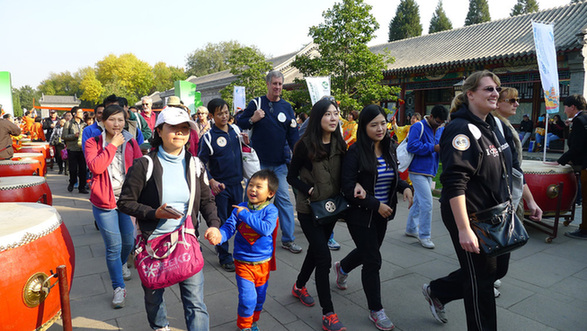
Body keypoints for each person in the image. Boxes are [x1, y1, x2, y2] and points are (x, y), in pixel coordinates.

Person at [422, 71, 541, 330]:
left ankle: (438, 291)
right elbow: (454, 183)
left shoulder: (494, 125)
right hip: (472, 216)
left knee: (498, 271)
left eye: (496, 88)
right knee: (481, 282)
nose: (495, 93)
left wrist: (529, 200)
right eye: (488, 89)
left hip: (498, 214)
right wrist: (464, 229)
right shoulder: (460, 129)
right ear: (470, 94)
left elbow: (512, 171)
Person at [117, 106, 221, 331]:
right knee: (154, 298)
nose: (180, 133)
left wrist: (214, 226)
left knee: (195, 302)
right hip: (153, 245)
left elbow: (207, 201)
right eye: (173, 128)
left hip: (186, 242)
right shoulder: (144, 165)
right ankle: (160, 327)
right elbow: (125, 202)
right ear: (159, 131)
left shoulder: (195, 164)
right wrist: (154, 213)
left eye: (185, 129)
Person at [334, 104, 413, 331]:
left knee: (368, 252)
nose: (380, 129)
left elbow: (393, 176)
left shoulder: (389, 147)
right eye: (373, 125)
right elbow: (348, 187)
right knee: (373, 260)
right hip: (360, 215)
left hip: (382, 215)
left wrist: (404, 186)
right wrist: (375, 204)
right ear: (364, 127)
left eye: (382, 123)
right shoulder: (356, 152)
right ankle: (376, 310)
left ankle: (342, 268)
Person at [287, 98, 347, 331]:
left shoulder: (339, 143)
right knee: (323, 257)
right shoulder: (304, 145)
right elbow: (291, 177)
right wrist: (308, 189)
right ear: (317, 118)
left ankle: (299, 286)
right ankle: (328, 313)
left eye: (336, 114)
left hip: (331, 209)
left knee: (316, 250)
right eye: (328, 114)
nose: (333, 118)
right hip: (309, 210)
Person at [205, 169, 279, 331]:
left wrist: (245, 215)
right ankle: (244, 326)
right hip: (243, 263)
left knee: (260, 298)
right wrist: (218, 235)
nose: (252, 189)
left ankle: (253, 321)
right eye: (251, 185)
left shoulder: (270, 211)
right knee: (248, 299)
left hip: (263, 264)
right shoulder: (239, 208)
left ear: (270, 193)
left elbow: (266, 229)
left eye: (259, 187)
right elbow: (228, 228)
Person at [237, 70, 302, 254]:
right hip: (258, 164)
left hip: (279, 164)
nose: (278, 87)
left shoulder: (287, 107)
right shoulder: (256, 103)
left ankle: (288, 240)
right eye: (274, 83)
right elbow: (239, 123)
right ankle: (246, 233)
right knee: (252, 199)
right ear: (267, 84)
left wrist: (298, 154)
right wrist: (252, 119)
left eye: (280, 84)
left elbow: (293, 135)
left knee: (284, 201)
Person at [84, 104, 142, 308]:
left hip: (125, 200)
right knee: (113, 246)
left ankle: (120, 264)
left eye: (120, 120)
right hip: (104, 202)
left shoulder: (131, 141)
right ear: (102, 121)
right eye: (112, 119)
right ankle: (118, 288)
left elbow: (138, 168)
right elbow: (96, 167)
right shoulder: (93, 142)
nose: (116, 124)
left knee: (128, 242)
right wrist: (113, 145)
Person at [493, 87, 543, 297]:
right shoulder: (495, 126)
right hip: (499, 193)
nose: (515, 104)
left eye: (517, 100)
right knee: (498, 241)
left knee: (505, 243)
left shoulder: (505, 125)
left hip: (512, 187)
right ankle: (489, 277)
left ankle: (491, 275)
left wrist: (529, 200)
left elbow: (515, 168)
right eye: (511, 100)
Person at [198, 98, 244, 272]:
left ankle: (239, 251)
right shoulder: (208, 137)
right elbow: (200, 163)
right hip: (221, 187)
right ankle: (224, 255)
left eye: (226, 112)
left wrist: (247, 142)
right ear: (211, 116)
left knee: (240, 218)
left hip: (237, 184)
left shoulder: (235, 130)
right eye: (220, 113)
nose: (224, 116)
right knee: (223, 220)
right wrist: (211, 180)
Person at [405, 105, 448, 249]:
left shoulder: (441, 129)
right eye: (437, 121)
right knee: (428, 203)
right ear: (430, 116)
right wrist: (432, 148)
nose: (439, 124)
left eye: (441, 122)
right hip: (417, 170)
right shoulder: (418, 126)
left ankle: (411, 228)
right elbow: (411, 146)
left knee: (419, 201)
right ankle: (425, 235)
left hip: (431, 170)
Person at [557, 94, 587, 239]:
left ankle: (585, 230)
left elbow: (577, 147)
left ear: (572, 107)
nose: (564, 110)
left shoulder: (580, 121)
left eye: (565, 107)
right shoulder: (583, 118)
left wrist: (560, 161)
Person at [63, 106, 88, 193]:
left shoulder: (84, 124)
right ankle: (72, 182)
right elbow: (64, 136)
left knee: (83, 169)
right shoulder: (68, 124)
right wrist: (74, 136)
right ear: (74, 114)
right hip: (72, 149)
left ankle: (82, 187)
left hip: (82, 149)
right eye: (80, 112)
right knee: (73, 169)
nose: (82, 114)